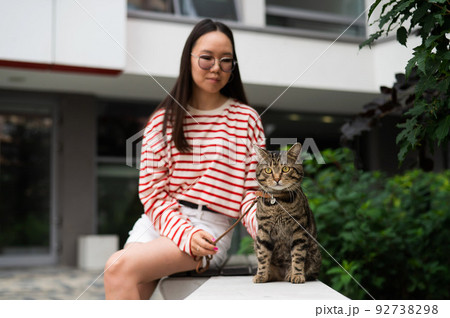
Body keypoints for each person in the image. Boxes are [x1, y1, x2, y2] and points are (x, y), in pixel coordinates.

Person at [104, 18, 266, 300]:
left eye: (226, 60)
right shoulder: (163, 121)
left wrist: (269, 232)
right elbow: (153, 194)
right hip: (159, 222)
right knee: (124, 277)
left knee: (118, 267)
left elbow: (251, 194)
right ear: (189, 59)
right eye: (206, 58)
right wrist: (183, 233)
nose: (216, 67)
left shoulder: (246, 120)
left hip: (209, 230)